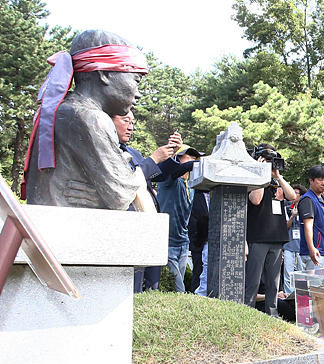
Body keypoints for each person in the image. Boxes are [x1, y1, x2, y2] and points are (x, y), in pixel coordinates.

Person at [23, 30, 152, 211]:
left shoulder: (55, 111)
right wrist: (134, 183)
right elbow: (121, 195)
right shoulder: (89, 117)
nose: (138, 93)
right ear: (104, 74)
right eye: (136, 80)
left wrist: (99, 195)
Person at [112, 110, 182, 292]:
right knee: (133, 283)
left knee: (152, 282)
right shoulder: (105, 151)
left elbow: (155, 176)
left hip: (149, 222)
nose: (130, 127)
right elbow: (129, 179)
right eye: (125, 120)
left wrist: (171, 155)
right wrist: (153, 159)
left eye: (133, 122)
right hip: (127, 224)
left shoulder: (132, 152)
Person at [244, 147, 297, 314]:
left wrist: (278, 176)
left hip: (276, 238)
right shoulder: (253, 179)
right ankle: (247, 312)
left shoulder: (276, 182)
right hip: (258, 237)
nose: (269, 164)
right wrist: (260, 172)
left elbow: (292, 196)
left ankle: (272, 314)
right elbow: (255, 200)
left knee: (273, 282)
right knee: (253, 280)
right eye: (266, 160)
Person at [154, 145, 203, 292]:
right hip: (167, 243)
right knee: (179, 289)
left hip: (183, 243)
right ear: (177, 158)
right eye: (189, 155)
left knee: (178, 287)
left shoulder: (190, 184)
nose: (194, 159)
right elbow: (185, 167)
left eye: (196, 157)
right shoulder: (167, 180)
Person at [298, 165, 324, 270]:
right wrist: (311, 248)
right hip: (316, 252)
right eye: (320, 180)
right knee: (315, 284)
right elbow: (308, 226)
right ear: (311, 180)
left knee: (323, 285)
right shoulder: (308, 200)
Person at [283, 184, 306, 293]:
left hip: (301, 246)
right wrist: (292, 216)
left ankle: (301, 295)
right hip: (289, 245)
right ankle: (288, 295)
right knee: (288, 273)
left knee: (301, 273)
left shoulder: (306, 209)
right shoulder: (287, 208)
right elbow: (285, 227)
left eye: (296, 193)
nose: (292, 194)